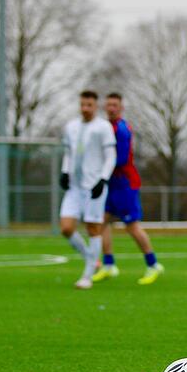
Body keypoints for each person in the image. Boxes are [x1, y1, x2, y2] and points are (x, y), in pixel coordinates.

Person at [91, 93, 164, 285]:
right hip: (110, 184)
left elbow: (120, 159)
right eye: (108, 105)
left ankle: (153, 264)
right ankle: (109, 265)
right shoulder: (105, 127)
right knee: (101, 223)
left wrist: (97, 166)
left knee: (132, 226)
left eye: (115, 105)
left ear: (121, 108)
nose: (111, 108)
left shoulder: (121, 130)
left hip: (124, 184)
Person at [59, 90, 116, 290]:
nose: (85, 108)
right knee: (66, 228)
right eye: (82, 104)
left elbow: (111, 156)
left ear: (95, 106)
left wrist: (103, 180)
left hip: (94, 186)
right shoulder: (71, 127)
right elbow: (68, 153)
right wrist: (64, 172)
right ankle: (91, 259)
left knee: (93, 228)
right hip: (74, 187)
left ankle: (87, 275)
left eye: (89, 105)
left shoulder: (103, 127)